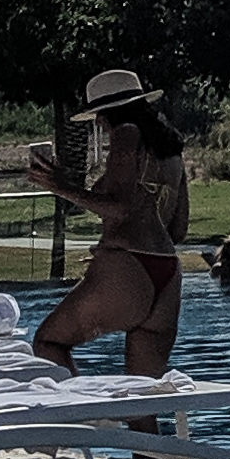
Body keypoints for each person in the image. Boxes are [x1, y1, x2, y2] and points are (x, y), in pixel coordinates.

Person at [29, 69, 194, 376]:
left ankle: (82, 408)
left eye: (98, 118)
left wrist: (60, 187)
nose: (100, 126)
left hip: (128, 264)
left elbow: (121, 209)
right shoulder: (170, 151)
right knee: (144, 393)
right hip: (167, 270)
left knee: (49, 342)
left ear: (106, 115)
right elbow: (178, 229)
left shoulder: (126, 133)